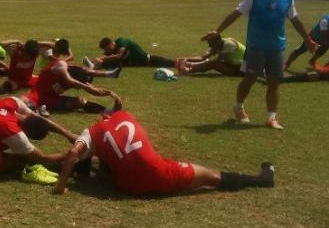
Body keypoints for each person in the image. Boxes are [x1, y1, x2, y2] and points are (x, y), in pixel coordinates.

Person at [53, 92, 276, 196]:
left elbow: (74, 153)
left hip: (125, 186)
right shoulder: (126, 117)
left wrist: (61, 186)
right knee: (211, 176)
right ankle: (262, 180)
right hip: (157, 175)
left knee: (112, 158)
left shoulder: (92, 132)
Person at [209, 0, 317, 129]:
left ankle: (271, 118)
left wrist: (307, 40)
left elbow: (295, 20)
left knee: (274, 83)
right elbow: (236, 13)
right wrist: (217, 31)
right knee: (250, 79)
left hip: (277, 48)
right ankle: (238, 107)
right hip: (256, 47)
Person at [23, 55, 110, 114]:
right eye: (77, 86)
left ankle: (107, 111)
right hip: (41, 97)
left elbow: (84, 72)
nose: (77, 88)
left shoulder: (75, 72)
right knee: (25, 101)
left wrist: (92, 88)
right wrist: (88, 88)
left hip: (52, 98)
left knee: (80, 102)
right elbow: (70, 80)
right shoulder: (60, 67)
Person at [178, 33, 245, 76]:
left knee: (213, 63)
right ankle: (188, 69)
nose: (209, 45)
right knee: (208, 61)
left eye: (211, 43)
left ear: (218, 41)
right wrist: (186, 59)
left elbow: (217, 61)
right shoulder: (218, 44)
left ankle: (188, 71)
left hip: (242, 69)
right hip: (234, 65)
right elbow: (202, 57)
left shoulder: (229, 44)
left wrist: (192, 65)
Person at [84, 37, 176, 68]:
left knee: (170, 63)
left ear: (111, 43)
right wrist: (93, 61)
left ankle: (186, 62)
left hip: (148, 60)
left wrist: (101, 59)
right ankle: (92, 67)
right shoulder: (111, 50)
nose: (107, 51)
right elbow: (105, 57)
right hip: (134, 63)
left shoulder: (122, 41)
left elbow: (118, 56)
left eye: (107, 49)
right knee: (108, 63)